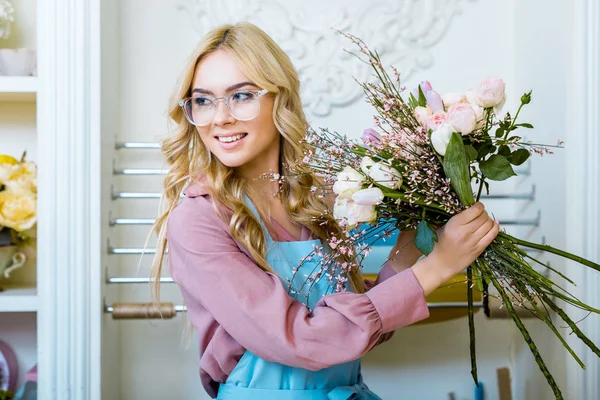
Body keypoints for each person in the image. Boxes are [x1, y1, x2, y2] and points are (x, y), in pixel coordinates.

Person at [150, 21, 500, 400]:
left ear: (279, 98)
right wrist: (438, 268)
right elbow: (304, 341)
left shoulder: (316, 198)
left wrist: (414, 241)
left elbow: (354, 332)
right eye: (203, 100)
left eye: (241, 96)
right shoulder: (200, 220)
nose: (220, 118)